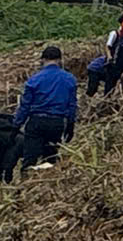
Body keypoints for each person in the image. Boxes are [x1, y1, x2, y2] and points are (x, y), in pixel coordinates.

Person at [10, 44, 78, 176]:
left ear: (43, 60)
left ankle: (26, 181)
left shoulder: (34, 80)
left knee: (30, 159)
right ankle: (46, 182)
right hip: (57, 123)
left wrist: (16, 125)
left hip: (36, 122)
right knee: (50, 159)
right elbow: (72, 105)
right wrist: (71, 125)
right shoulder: (70, 79)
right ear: (60, 60)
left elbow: (24, 106)